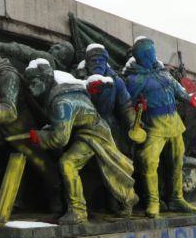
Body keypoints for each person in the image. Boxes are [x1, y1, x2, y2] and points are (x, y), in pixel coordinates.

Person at [24, 59, 138, 224]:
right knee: (110, 167)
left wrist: (40, 137)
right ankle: (129, 198)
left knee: (68, 164)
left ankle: (77, 211)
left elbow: (59, 138)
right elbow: (63, 124)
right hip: (91, 130)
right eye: (28, 82)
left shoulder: (61, 103)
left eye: (34, 82)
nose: (30, 86)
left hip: (93, 134)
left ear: (46, 79)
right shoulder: (64, 90)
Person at [0, 42, 62, 217]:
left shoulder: (7, 76)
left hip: (19, 124)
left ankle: (58, 197)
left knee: (40, 163)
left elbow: (10, 111)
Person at [122, 37, 196, 218]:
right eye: (151, 52)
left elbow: (177, 89)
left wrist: (189, 98)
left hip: (174, 123)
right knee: (149, 161)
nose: (155, 55)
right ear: (144, 56)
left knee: (177, 161)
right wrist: (136, 112)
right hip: (154, 125)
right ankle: (153, 202)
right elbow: (127, 104)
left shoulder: (163, 72)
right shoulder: (134, 79)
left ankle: (177, 198)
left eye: (154, 52)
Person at [83, 43, 136, 154]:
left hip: (109, 125)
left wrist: (133, 123)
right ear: (87, 63)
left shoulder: (116, 81)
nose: (98, 63)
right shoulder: (79, 78)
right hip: (86, 126)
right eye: (94, 60)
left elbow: (126, 106)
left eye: (101, 60)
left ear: (106, 62)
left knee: (117, 155)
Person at [0, 32, 76, 72]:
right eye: (54, 45)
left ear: (63, 56)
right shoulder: (68, 76)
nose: (52, 47)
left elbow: (22, 50)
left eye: (57, 48)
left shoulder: (46, 57)